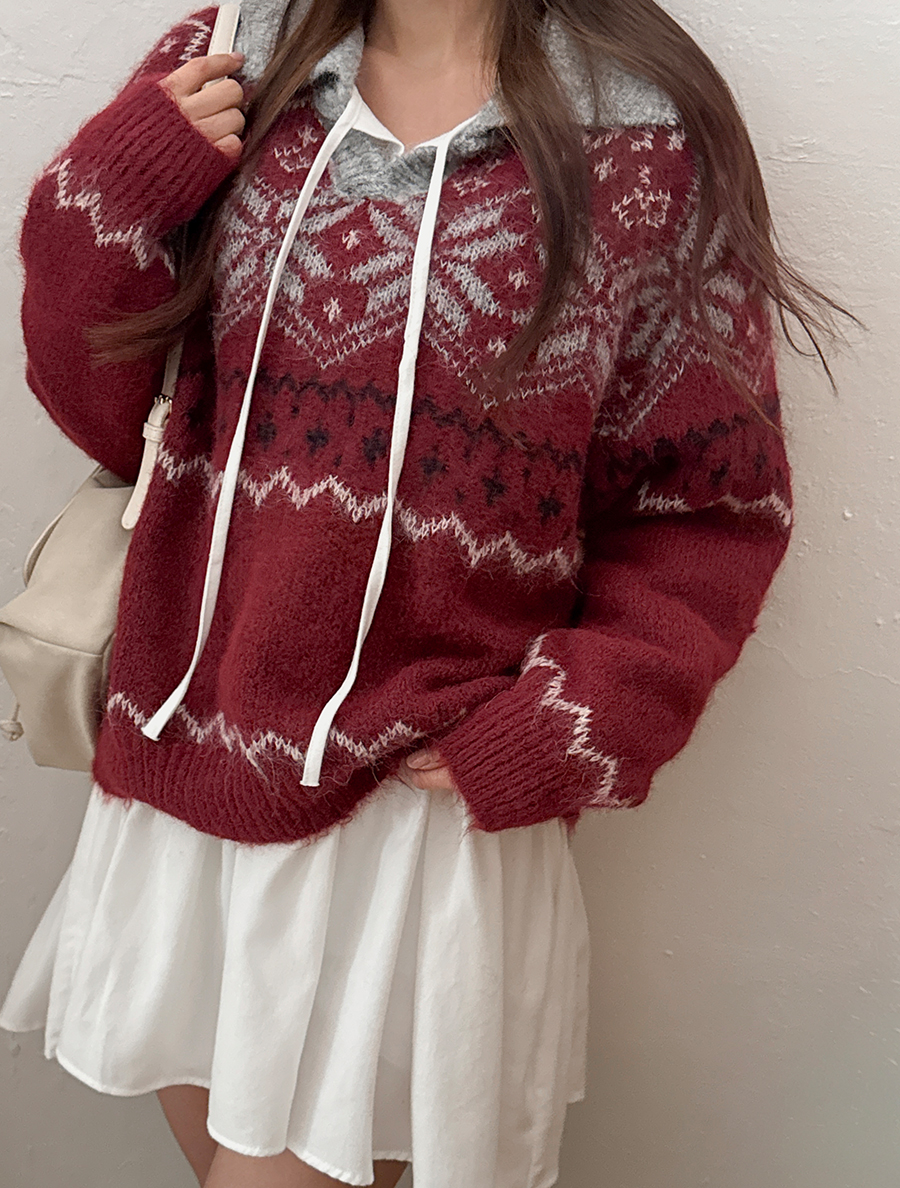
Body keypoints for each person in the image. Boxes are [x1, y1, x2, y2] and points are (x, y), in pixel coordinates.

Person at [0, 1, 848, 1185]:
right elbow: (110, 414)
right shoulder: (234, 56)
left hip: (414, 822)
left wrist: (584, 716)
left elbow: (710, 503)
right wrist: (113, 191)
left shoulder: (647, 139)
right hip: (186, 774)